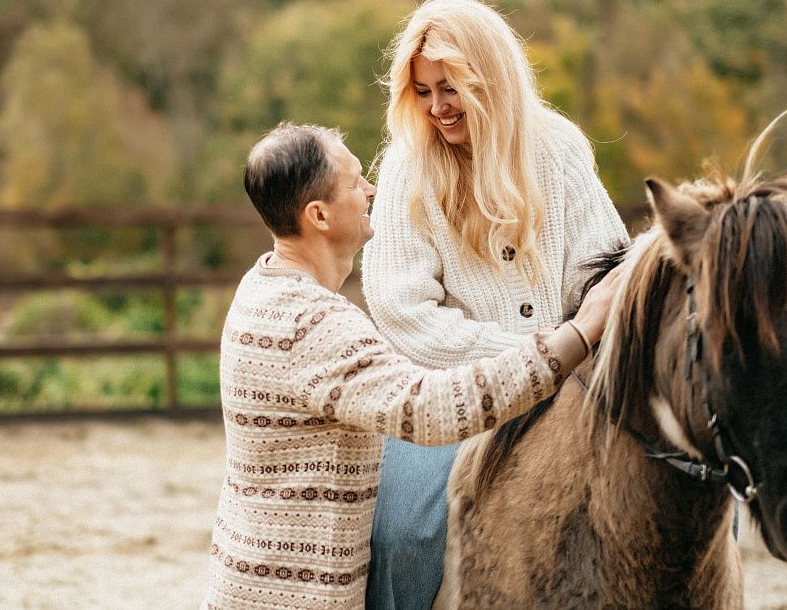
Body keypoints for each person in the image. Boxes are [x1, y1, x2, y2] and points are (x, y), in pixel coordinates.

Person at [201, 121, 623, 610]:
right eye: (355, 182)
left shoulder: (261, 288)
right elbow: (430, 409)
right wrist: (577, 334)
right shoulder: (314, 324)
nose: (371, 190)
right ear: (319, 215)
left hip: (249, 583)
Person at [362, 0, 629, 610]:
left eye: (450, 87)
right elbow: (402, 313)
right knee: (400, 532)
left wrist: (570, 357)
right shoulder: (408, 165)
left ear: (490, 78)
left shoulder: (559, 149)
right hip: (446, 396)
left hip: (575, 384)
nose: (437, 108)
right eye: (423, 92)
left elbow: (605, 270)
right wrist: (536, 356)